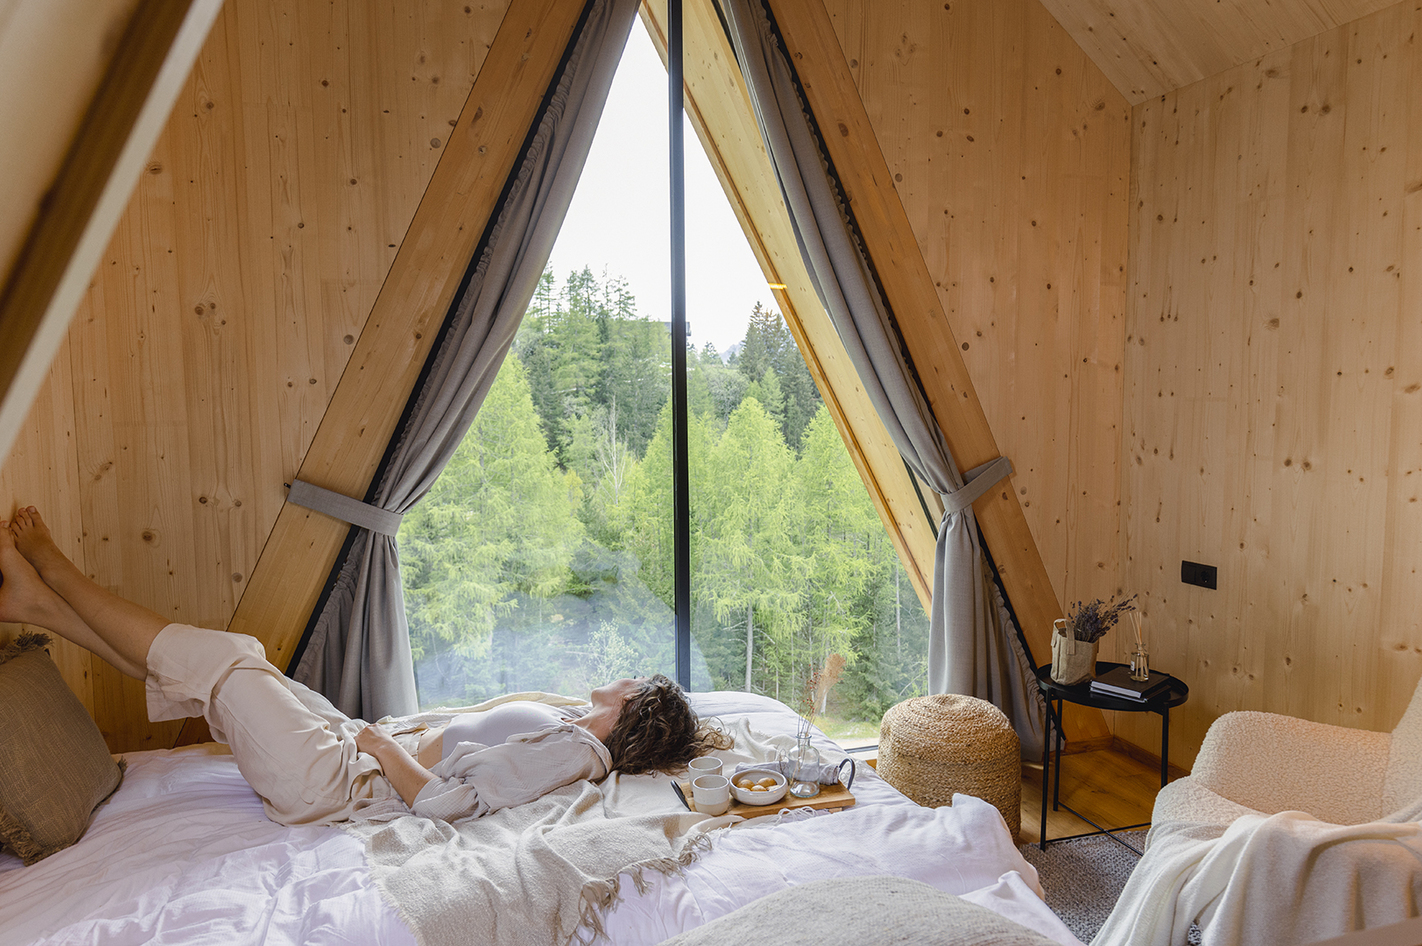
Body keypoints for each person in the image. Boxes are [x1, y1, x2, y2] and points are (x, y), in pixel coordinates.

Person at [0, 506, 725, 827]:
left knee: (223, 661)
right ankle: (39, 602)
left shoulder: (572, 751)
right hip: (355, 749)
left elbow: (449, 804)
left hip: (339, 779)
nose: (624, 673)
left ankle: (55, 572)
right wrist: (378, 737)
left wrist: (380, 749)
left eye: (636, 680)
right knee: (234, 662)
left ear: (634, 705)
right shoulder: (572, 731)